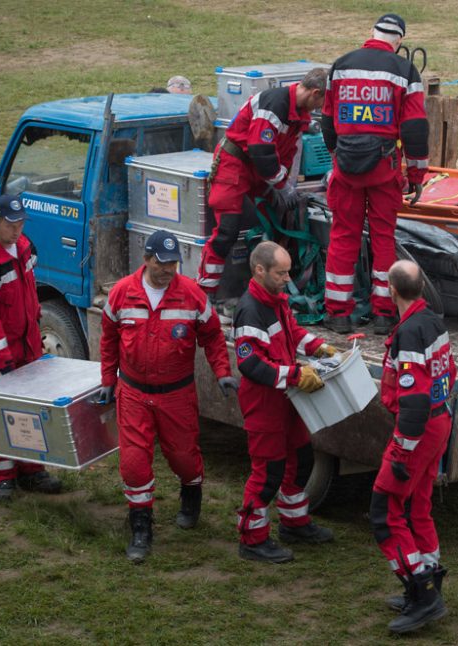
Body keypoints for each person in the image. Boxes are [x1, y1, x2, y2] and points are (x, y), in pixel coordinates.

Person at [98, 228, 238, 563]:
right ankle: (141, 527)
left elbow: (213, 336)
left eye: (173, 264)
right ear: (146, 259)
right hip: (132, 392)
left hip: (176, 394)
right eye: (161, 263)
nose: (167, 270)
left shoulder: (191, 296)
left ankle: (191, 493)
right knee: (133, 463)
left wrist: (223, 372)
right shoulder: (121, 294)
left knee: (184, 458)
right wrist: (107, 379)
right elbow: (108, 339)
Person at [321, 13, 429, 336]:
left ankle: (337, 313)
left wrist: (336, 156)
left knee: (343, 236)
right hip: (384, 170)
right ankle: (385, 313)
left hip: (346, 169)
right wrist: (418, 175)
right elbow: (414, 128)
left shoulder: (341, 65)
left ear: (372, 34)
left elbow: (327, 120)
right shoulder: (405, 71)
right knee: (383, 238)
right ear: (399, 43)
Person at [232, 241, 337, 563]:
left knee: (302, 459)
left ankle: (294, 522)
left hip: (286, 399)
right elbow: (251, 365)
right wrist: (294, 376)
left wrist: (319, 347)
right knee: (268, 473)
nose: (287, 279)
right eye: (281, 273)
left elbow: (292, 333)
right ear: (260, 270)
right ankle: (252, 539)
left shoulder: (276, 300)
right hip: (265, 403)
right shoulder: (250, 309)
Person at [369, 259, 455, 634]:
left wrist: (402, 453)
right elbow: (449, 374)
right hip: (439, 423)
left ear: (391, 289)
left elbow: (414, 400)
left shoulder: (409, 334)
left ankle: (422, 594)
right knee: (418, 505)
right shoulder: (433, 322)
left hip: (417, 432)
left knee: (386, 510)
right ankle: (429, 575)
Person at [0, 194, 63, 501]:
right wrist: (3, 359)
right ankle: (3, 475)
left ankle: (32, 471)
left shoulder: (24, 247)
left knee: (30, 411)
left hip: (28, 348)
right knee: (0, 414)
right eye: (10, 224)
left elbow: (28, 288)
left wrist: (34, 317)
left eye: (20, 223)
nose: (17, 229)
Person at [196, 68, 328, 302]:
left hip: (262, 171)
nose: (320, 108)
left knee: (279, 219)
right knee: (227, 231)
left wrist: (284, 183)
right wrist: (281, 185)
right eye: (322, 101)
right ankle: (205, 294)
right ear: (315, 93)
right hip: (234, 165)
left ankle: (267, 288)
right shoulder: (274, 105)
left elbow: (287, 152)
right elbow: (261, 150)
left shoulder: (298, 113)